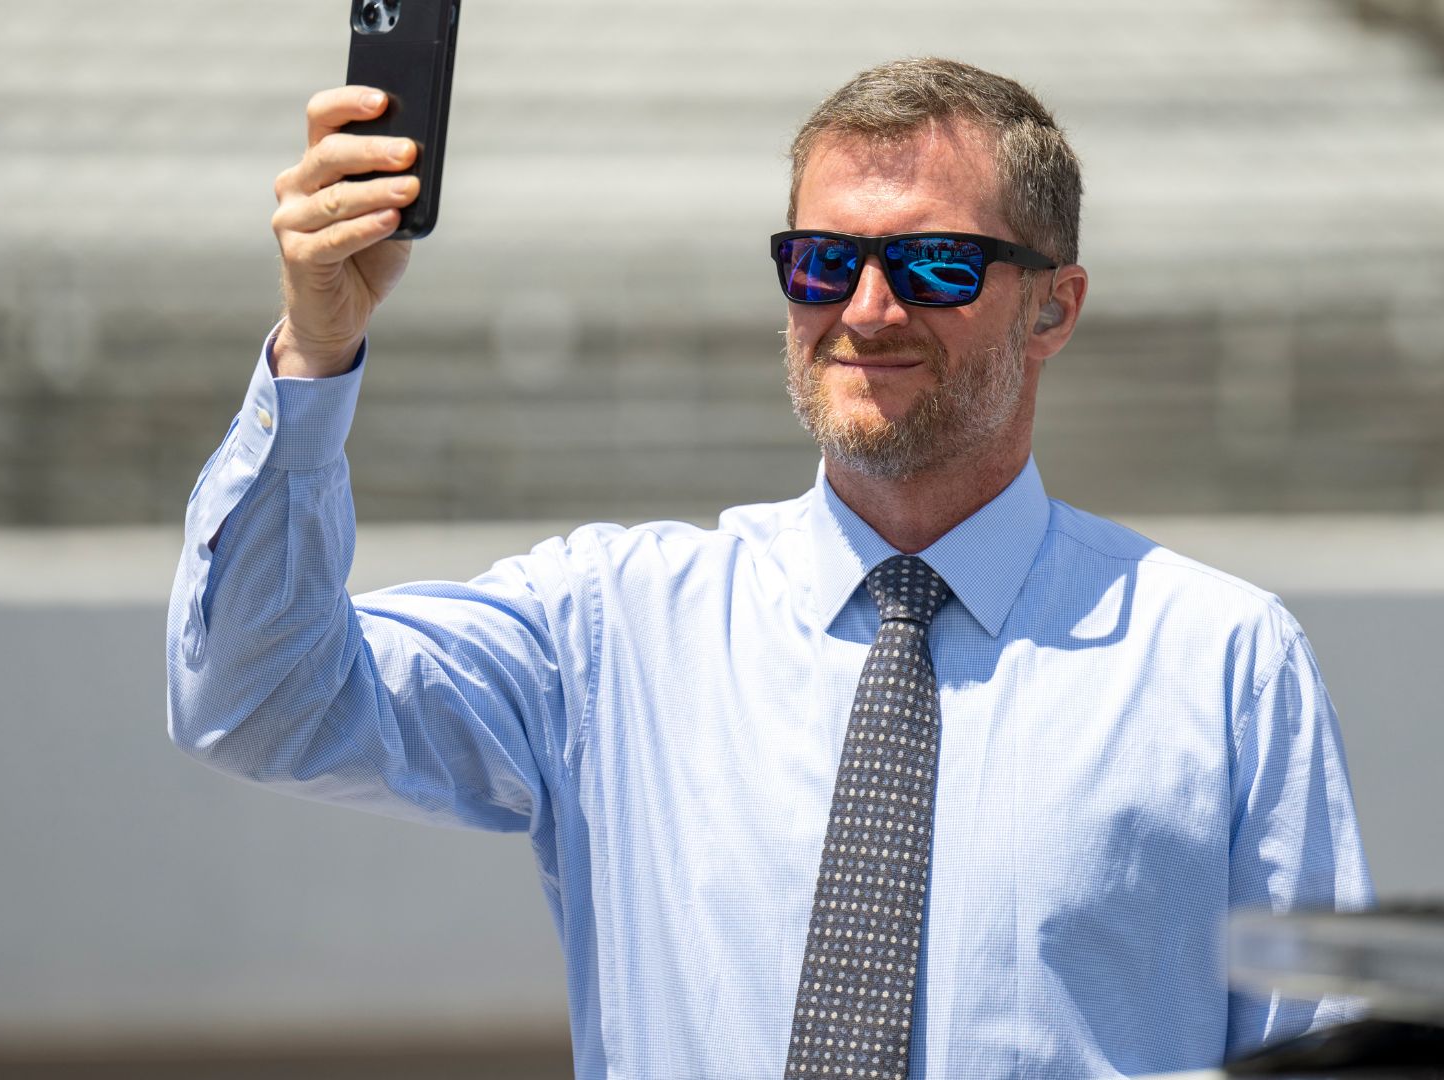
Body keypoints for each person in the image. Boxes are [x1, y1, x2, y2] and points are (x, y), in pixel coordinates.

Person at [167, 58, 1372, 1079]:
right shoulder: (613, 627)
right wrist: (318, 352)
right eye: (819, 262)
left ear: (1053, 309)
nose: (868, 309)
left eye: (937, 266)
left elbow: (1327, 1046)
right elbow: (262, 704)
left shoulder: (1220, 658)